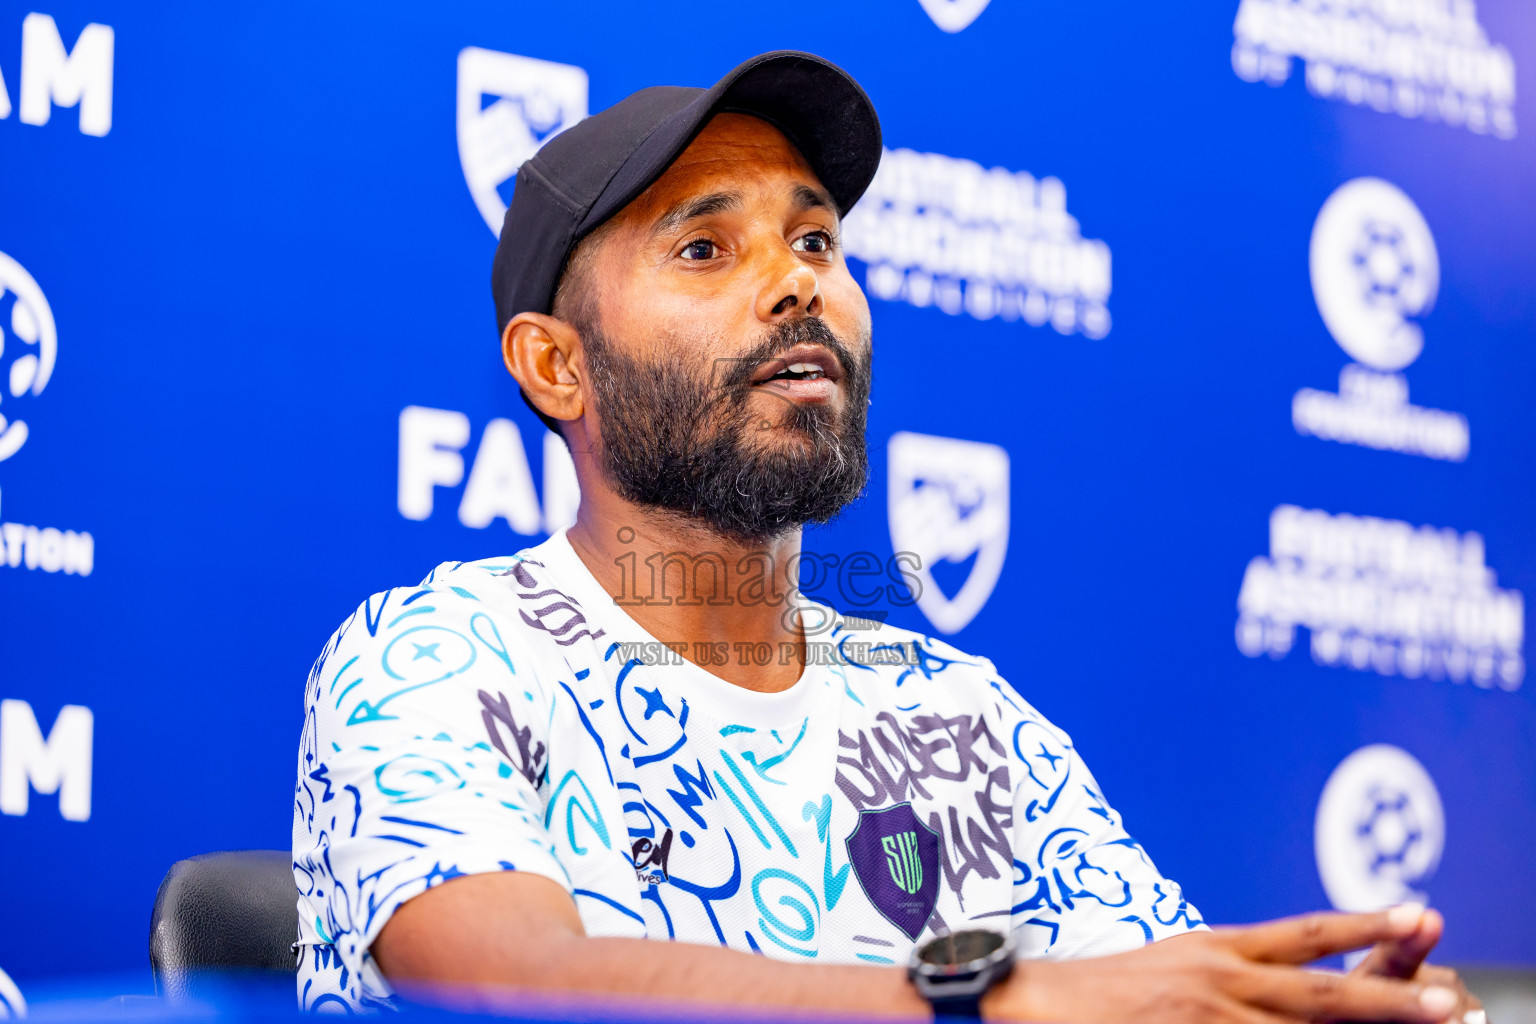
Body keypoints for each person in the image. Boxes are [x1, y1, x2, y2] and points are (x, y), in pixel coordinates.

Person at [292, 51, 1482, 1023]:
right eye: (706, 249)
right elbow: (519, 985)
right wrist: (982, 1002)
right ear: (558, 365)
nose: (796, 285)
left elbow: (1155, 992)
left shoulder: (958, 715)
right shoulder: (436, 657)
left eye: (816, 242)